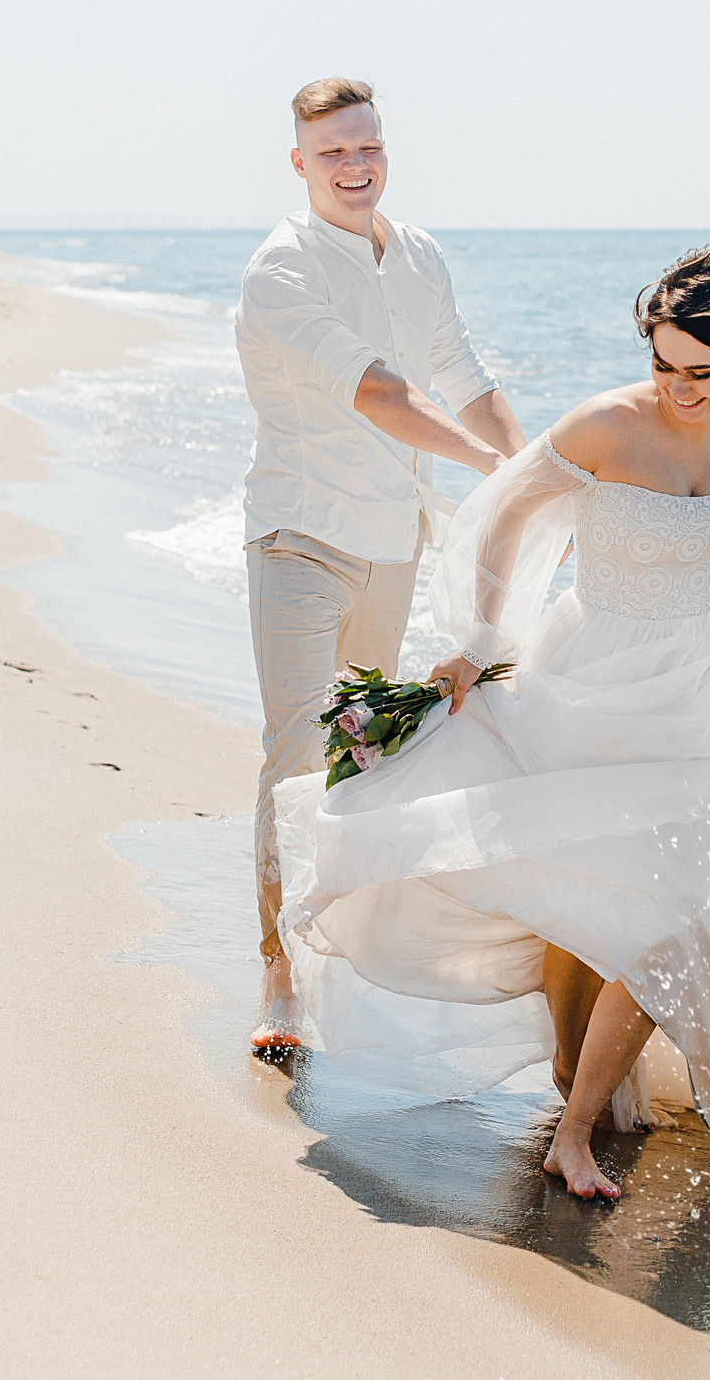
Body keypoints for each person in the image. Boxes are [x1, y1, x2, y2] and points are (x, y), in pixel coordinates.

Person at [274, 246, 710, 1198]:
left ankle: (579, 1121)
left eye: (700, 372)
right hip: (590, 680)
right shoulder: (606, 424)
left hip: (708, 688)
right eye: (663, 364)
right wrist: (481, 638)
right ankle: (575, 1099)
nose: (677, 389)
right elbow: (501, 515)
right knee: (593, 902)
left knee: (673, 909)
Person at [235, 78, 525, 1048]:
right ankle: (279, 981)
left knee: (357, 753)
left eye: (368, 148)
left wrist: (530, 470)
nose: (355, 168)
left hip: (393, 543)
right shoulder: (282, 270)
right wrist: (486, 465)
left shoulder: (419, 256)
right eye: (333, 154)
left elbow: (464, 376)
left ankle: (341, 945)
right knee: (294, 758)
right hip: (300, 539)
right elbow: (385, 394)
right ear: (299, 163)